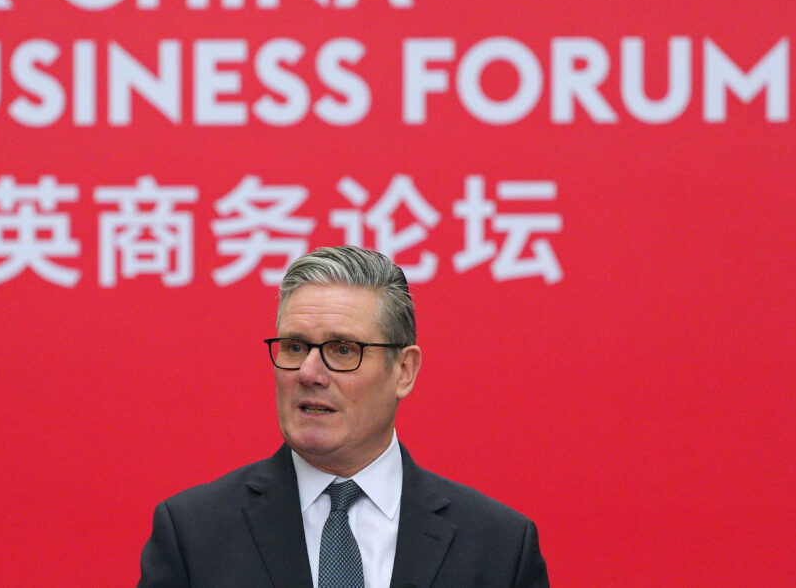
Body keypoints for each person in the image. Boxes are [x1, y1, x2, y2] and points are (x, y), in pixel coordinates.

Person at [138, 246, 549, 587]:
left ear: (403, 371)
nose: (309, 373)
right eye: (295, 347)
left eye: (343, 350)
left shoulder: (498, 546)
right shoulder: (194, 534)